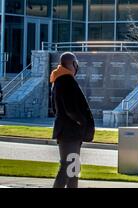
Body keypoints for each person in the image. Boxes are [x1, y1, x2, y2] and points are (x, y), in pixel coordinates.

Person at [50, 52, 95, 188]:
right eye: (76, 64)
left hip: (69, 132)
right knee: (67, 166)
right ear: (72, 64)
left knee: (73, 167)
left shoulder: (60, 80)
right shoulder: (66, 81)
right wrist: (82, 122)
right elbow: (71, 109)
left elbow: (56, 109)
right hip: (70, 132)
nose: (77, 67)